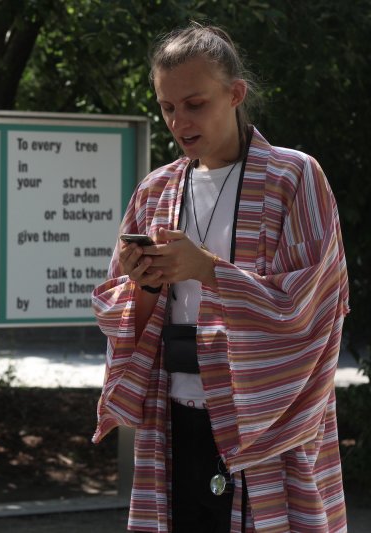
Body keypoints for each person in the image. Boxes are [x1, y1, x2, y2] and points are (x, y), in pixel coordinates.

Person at [91, 23, 349, 532]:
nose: (178, 121)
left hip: (261, 420)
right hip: (174, 414)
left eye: (194, 103)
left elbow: (313, 305)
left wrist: (207, 270)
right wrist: (144, 286)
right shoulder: (155, 190)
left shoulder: (293, 178)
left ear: (235, 93)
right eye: (167, 107)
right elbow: (120, 314)